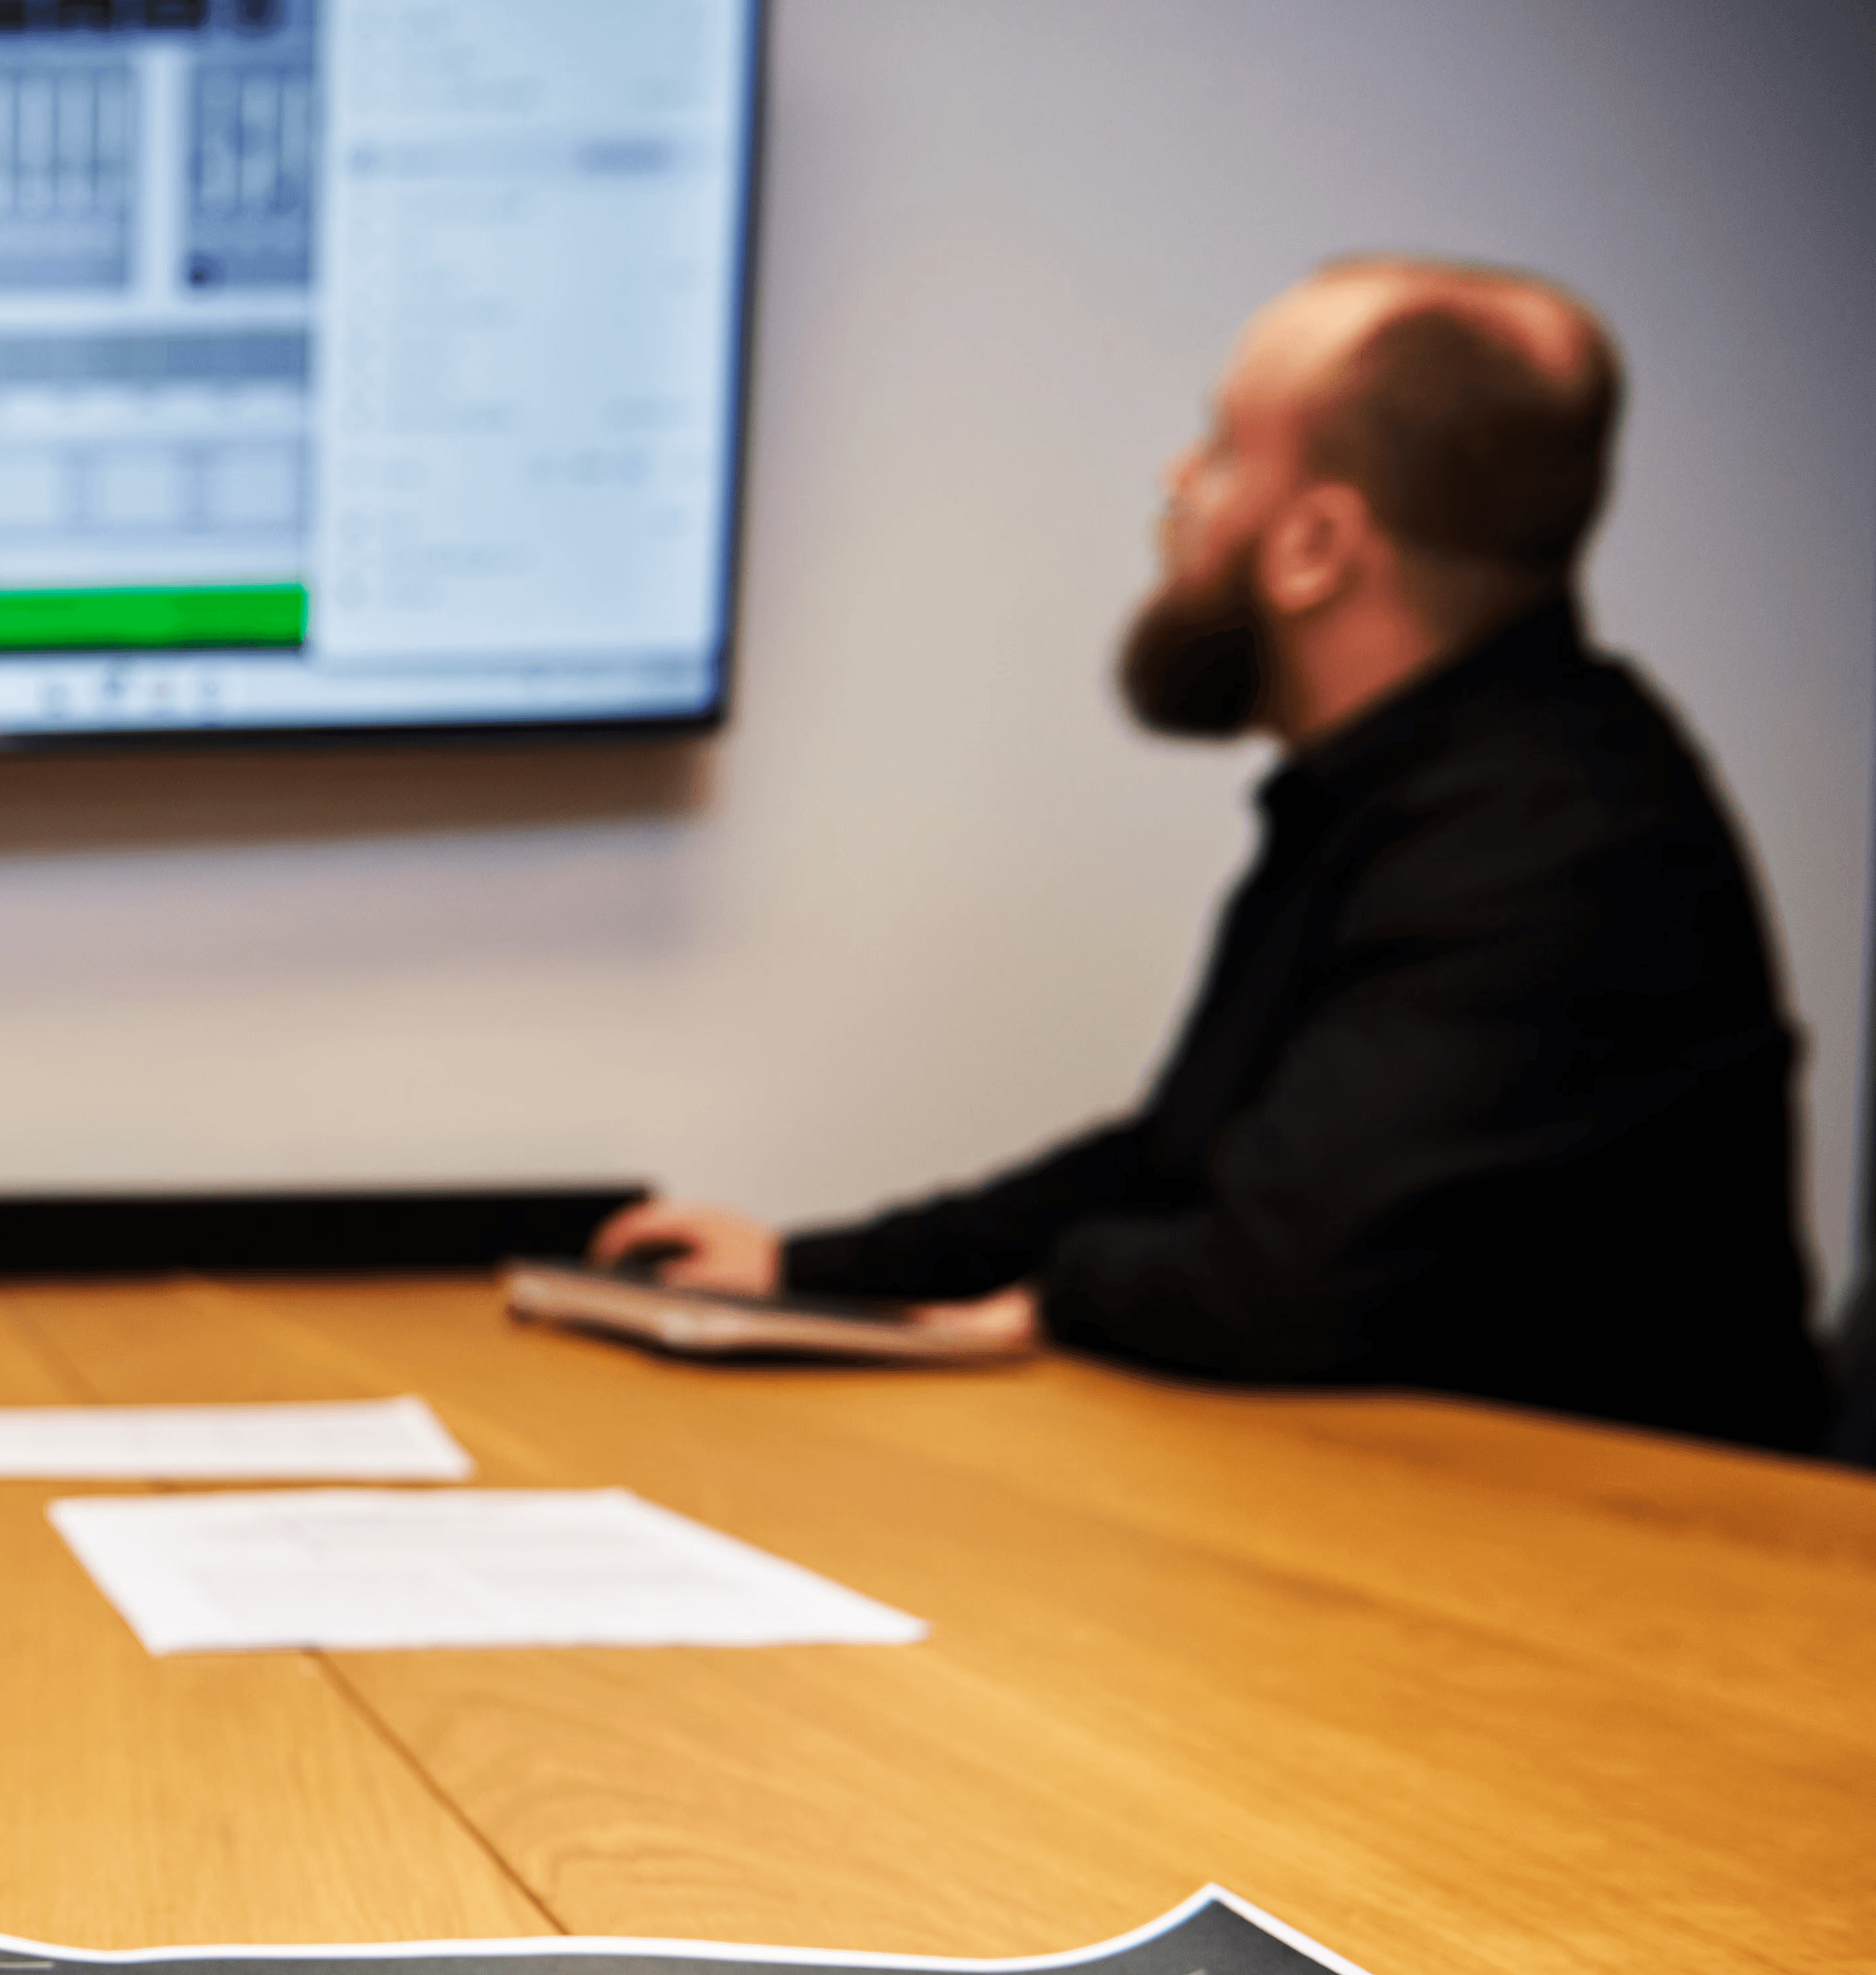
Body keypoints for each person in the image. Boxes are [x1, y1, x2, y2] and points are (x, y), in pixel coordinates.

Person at [592, 259, 1828, 1454]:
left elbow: (1275, 1281)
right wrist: (810, 1271)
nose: (1177, 482)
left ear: (1316, 549)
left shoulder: (1560, 841)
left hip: (1624, 1593)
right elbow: (1178, 1160)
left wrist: (1053, 1301)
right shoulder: (1419, 790)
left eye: (1223, 450)